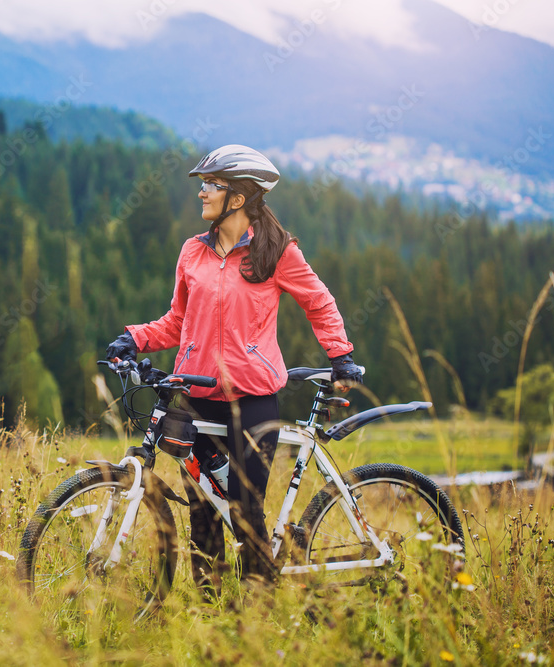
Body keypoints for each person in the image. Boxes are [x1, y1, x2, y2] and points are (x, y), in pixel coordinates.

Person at [105, 144, 362, 597]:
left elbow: (319, 302)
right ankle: (211, 615)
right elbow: (178, 322)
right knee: (202, 512)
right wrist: (136, 337)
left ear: (238, 197)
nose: (201, 193)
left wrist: (340, 355)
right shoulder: (193, 252)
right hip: (195, 394)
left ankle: (257, 622)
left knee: (244, 512)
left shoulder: (277, 252)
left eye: (211, 186)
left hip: (252, 402)